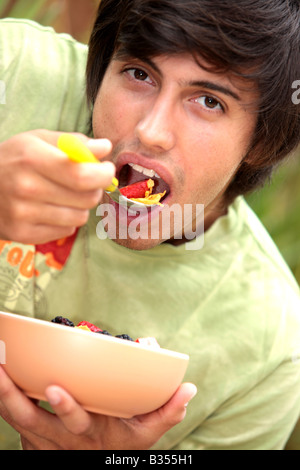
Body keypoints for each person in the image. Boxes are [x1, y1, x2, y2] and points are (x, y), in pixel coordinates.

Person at [0, 0, 300, 450]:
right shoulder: (14, 69)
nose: (152, 130)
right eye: (140, 74)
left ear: (262, 140)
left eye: (208, 101)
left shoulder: (271, 349)